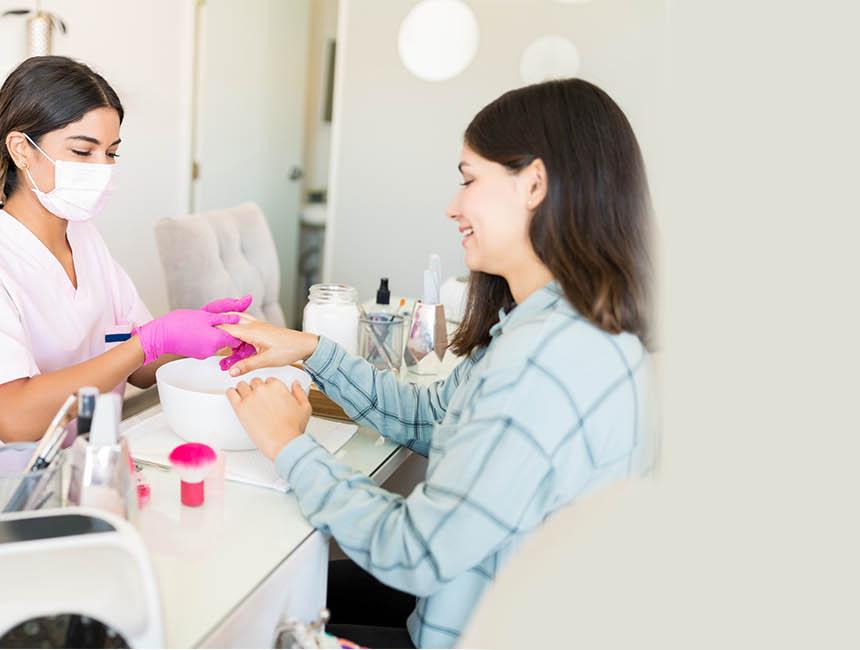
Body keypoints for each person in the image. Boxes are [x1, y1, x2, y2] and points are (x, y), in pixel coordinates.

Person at [217, 78, 655, 648]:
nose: (453, 206)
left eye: (469, 179)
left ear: (535, 185)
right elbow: (430, 419)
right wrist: (312, 349)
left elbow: (415, 552)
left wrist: (288, 447)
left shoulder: (545, 362)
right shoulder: (553, 330)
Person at [0, 56, 246, 524]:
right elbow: (16, 419)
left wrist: (197, 332)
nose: (101, 168)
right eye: (83, 152)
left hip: (80, 485)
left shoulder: (83, 236)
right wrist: (150, 341)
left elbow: (141, 368)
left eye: (111, 153)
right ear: (22, 149)